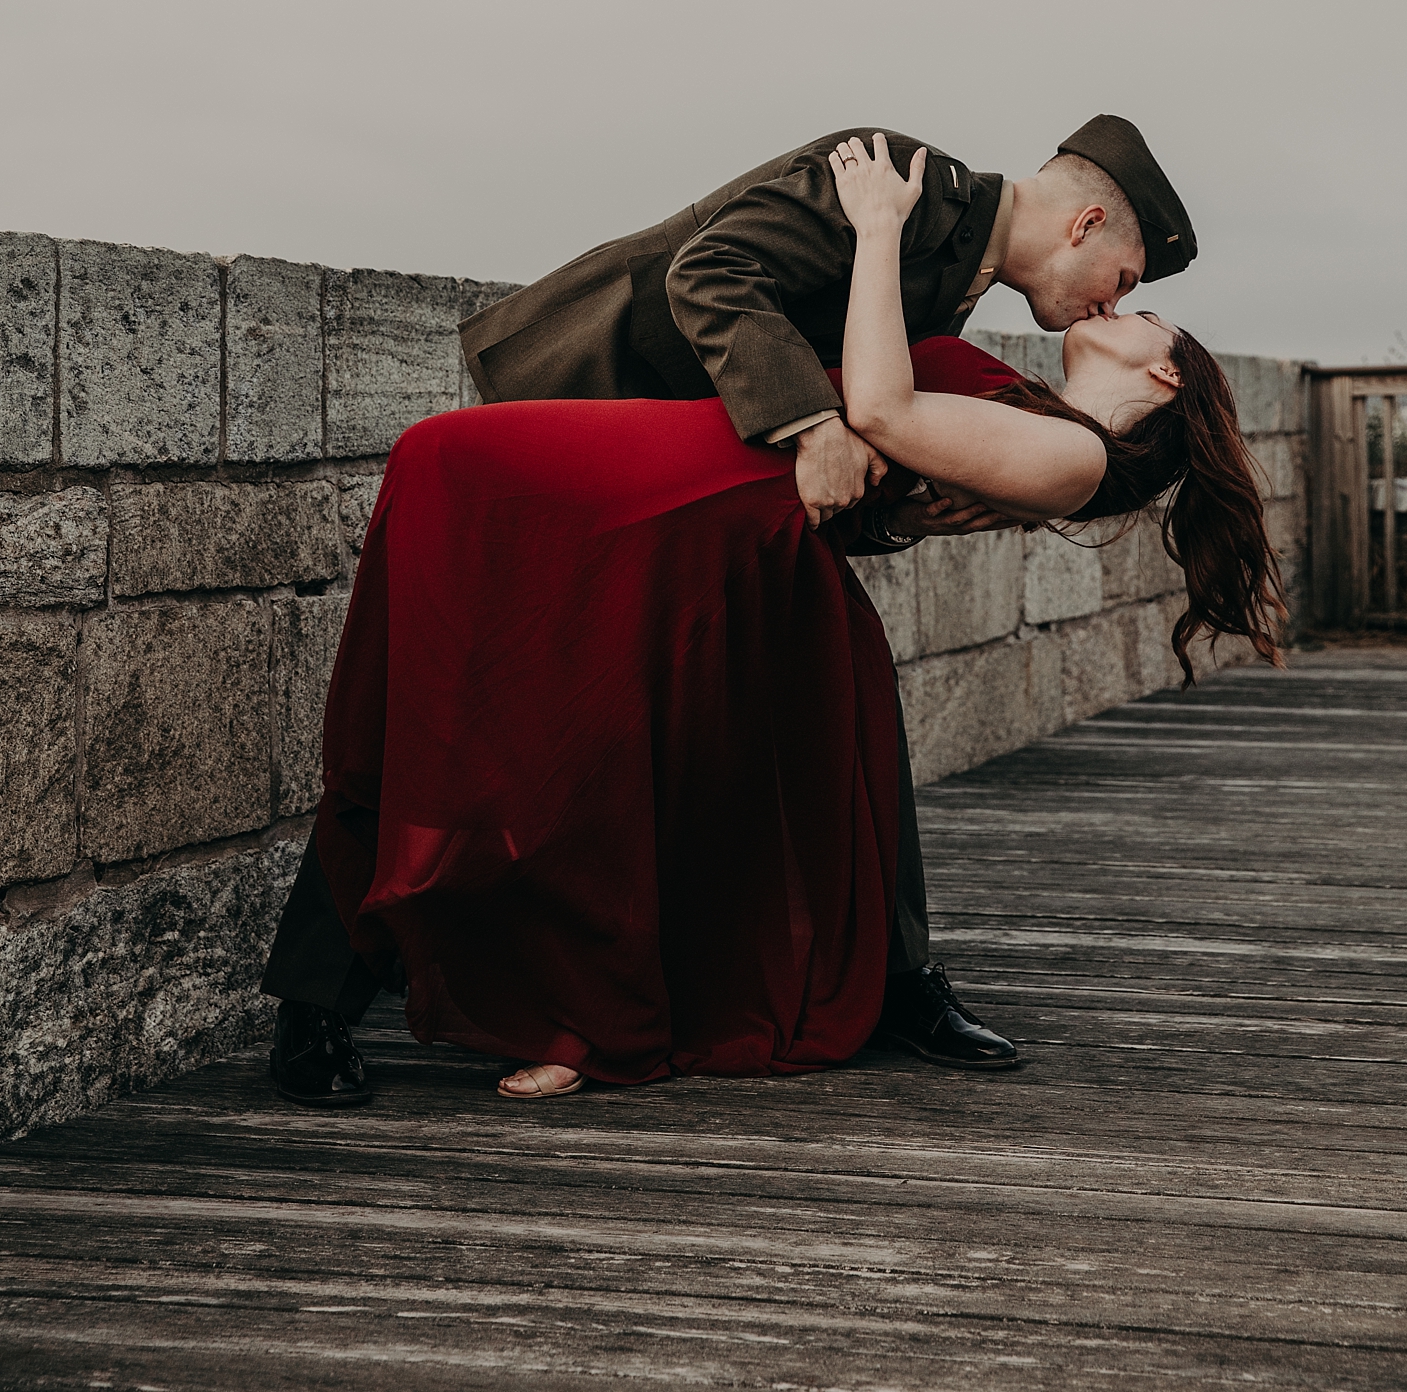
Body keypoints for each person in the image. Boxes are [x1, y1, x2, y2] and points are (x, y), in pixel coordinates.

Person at [297, 135, 1281, 1104]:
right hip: (637, 440)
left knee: (825, 719)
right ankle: (324, 1003)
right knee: (502, 713)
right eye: (1131, 276)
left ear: (1160, 382)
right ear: (1088, 220)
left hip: (725, 516)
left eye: (1141, 307)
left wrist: (897, 493)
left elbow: (885, 437)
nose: (1123, 298)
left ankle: (849, 986)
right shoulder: (896, 186)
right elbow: (715, 273)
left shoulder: (1021, 381)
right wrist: (829, 407)